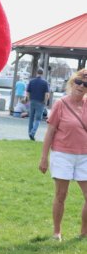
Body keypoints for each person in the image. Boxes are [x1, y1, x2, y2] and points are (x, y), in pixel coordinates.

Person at [38, 70, 87, 241]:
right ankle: (57, 232)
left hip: (84, 156)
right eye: (78, 82)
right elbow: (50, 132)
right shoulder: (60, 104)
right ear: (72, 83)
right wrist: (44, 158)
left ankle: (84, 232)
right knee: (61, 195)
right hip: (62, 154)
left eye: (85, 84)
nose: (81, 86)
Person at [26, 68, 50, 140]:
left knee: (31, 118)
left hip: (32, 101)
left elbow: (27, 92)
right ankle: (32, 133)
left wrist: (28, 99)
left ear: (37, 73)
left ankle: (30, 133)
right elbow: (47, 94)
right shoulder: (45, 83)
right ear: (42, 73)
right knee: (38, 119)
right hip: (40, 102)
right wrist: (45, 101)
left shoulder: (31, 81)